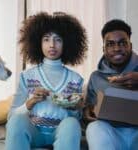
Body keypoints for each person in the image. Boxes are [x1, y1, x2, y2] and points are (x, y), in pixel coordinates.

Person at [5, 12, 88, 150]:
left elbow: (76, 117)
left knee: (72, 123)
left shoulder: (76, 79)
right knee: (16, 121)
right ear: (38, 42)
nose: (52, 45)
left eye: (58, 40)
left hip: (61, 132)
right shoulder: (27, 76)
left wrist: (74, 107)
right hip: (33, 131)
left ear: (66, 43)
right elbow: (11, 116)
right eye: (46, 39)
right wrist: (30, 102)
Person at [85, 19, 138, 150]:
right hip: (111, 134)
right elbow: (89, 108)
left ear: (130, 45)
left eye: (122, 43)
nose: (117, 48)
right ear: (104, 49)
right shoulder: (96, 77)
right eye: (110, 44)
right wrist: (88, 112)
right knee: (94, 128)